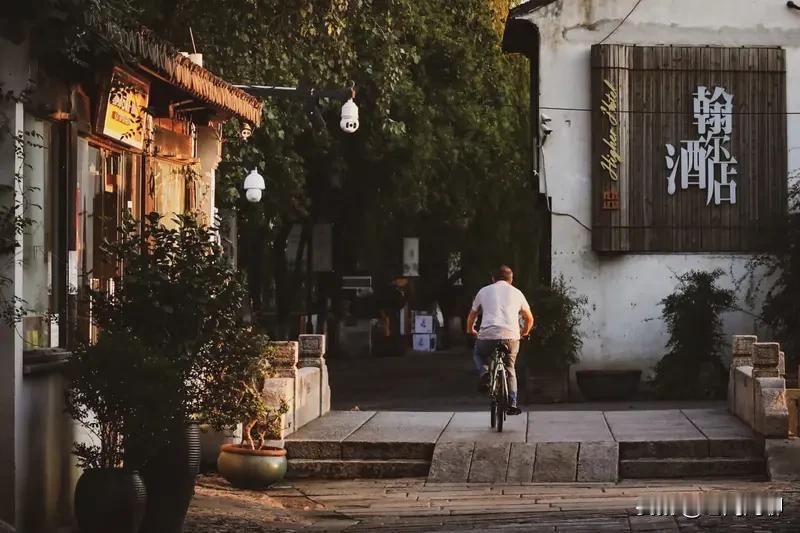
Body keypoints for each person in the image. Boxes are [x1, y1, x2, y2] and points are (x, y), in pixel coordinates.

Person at [466, 265, 534, 415]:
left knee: (478, 354)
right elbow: (529, 318)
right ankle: (513, 403)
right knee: (510, 367)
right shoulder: (517, 293)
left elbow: (472, 315)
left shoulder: (483, 291)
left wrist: (470, 330)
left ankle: (485, 373)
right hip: (511, 337)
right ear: (511, 279)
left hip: (487, 336)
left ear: (493, 279)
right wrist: (524, 333)